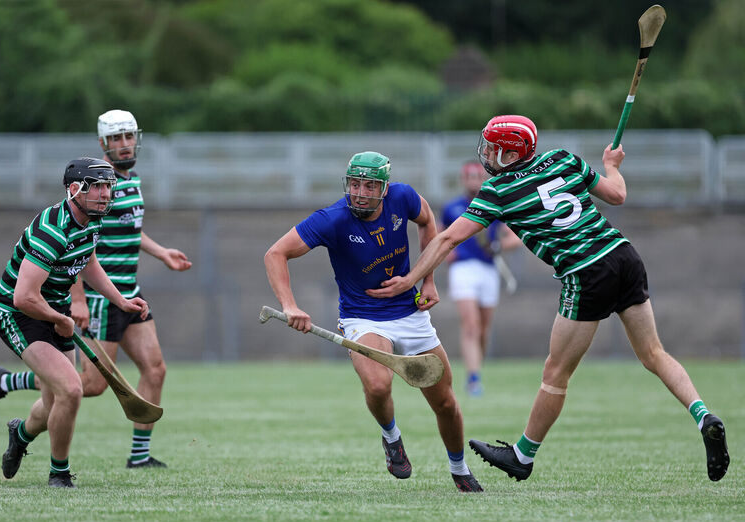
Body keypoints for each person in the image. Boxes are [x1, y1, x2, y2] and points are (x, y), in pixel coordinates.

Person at [367, 115, 729, 483]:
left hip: (586, 271)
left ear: (510, 153)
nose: (487, 155)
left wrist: (411, 279)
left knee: (555, 374)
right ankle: (704, 416)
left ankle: (522, 458)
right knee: (654, 354)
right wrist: (611, 166)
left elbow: (446, 239)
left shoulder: (498, 191)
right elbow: (617, 194)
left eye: (493, 148)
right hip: (623, 255)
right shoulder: (564, 159)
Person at [0, 109, 192, 469]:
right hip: (82, 303)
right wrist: (77, 303)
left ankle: (138, 456)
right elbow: (65, 258)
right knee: (84, 385)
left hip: (122, 292)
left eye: (129, 136)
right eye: (116, 139)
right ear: (103, 143)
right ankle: (8, 383)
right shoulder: (82, 198)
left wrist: (160, 253)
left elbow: (109, 241)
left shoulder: (126, 186)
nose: (125, 145)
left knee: (154, 369)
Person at [264, 151, 483, 493]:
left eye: (369, 185)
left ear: (384, 187)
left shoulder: (403, 197)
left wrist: (425, 279)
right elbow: (275, 253)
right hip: (362, 317)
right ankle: (391, 437)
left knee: (445, 402)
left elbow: (427, 222)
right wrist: (290, 305)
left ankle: (459, 468)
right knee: (379, 386)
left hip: (411, 314)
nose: (361, 192)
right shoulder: (332, 219)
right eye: (354, 184)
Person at [0, 157, 149, 488]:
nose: (106, 194)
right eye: (98, 188)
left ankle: (19, 435)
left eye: (109, 187)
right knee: (73, 389)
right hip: (18, 314)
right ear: (75, 190)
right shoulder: (53, 230)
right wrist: (60, 319)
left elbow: (87, 260)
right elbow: (24, 298)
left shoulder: (91, 219)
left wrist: (119, 300)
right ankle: (59, 474)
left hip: (53, 308)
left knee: (55, 402)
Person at [441, 161, 521, 396]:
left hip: (488, 270)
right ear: (463, 180)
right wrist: (446, 252)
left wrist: (499, 245)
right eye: (470, 176)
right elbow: (439, 234)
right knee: (471, 325)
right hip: (463, 269)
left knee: (483, 330)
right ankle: (473, 378)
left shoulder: (495, 205)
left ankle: (476, 370)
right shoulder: (452, 207)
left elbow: (515, 238)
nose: (474, 180)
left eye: (478, 176)